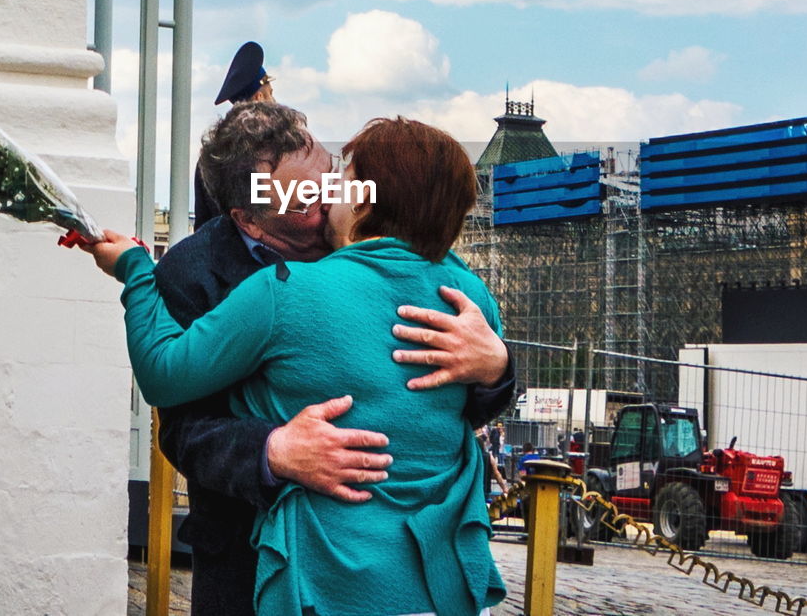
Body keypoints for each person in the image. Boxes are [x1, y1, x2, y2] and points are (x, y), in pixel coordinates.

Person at [89, 117, 508, 615]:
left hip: (323, 579)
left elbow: (162, 371)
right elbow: (183, 429)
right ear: (248, 219)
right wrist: (273, 450)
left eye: (335, 174)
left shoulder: (283, 293)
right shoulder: (469, 292)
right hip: (408, 577)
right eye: (306, 198)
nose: (327, 194)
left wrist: (495, 366)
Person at [193, 41, 277, 229]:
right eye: (271, 94)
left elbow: (203, 224)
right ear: (259, 98)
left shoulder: (210, 158)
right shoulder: (273, 155)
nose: (275, 101)